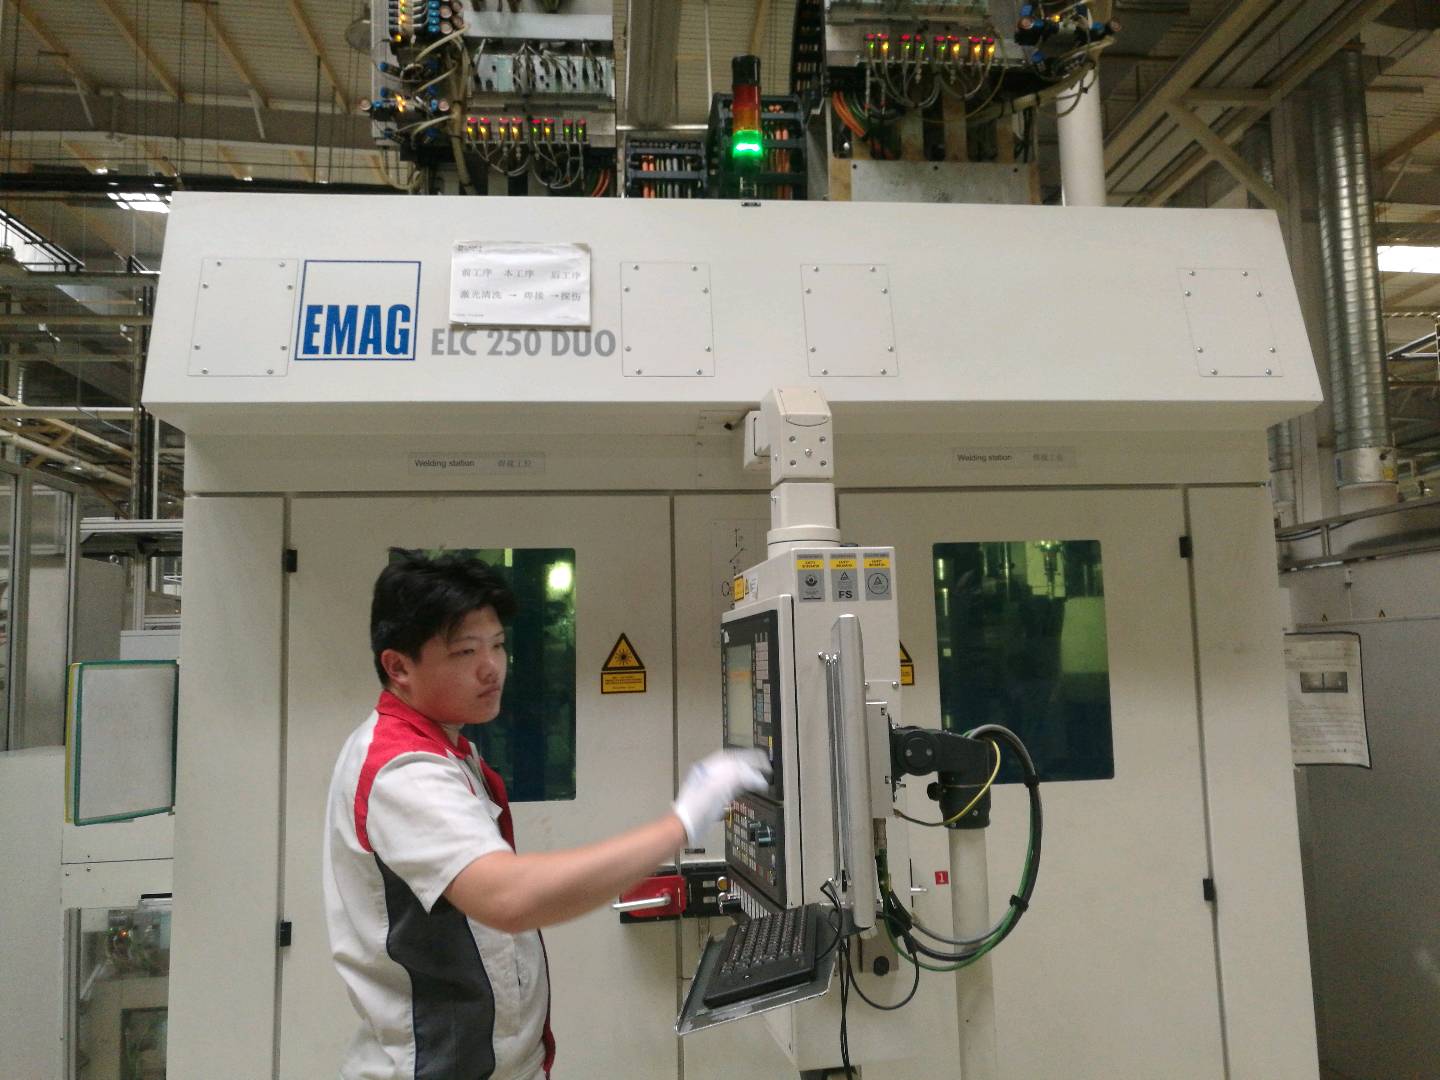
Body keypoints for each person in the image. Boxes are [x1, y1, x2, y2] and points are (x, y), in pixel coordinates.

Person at [323, 549, 769, 1080]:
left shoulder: (445, 748)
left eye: (497, 645)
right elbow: (508, 898)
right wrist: (681, 824)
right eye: (465, 651)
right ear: (398, 667)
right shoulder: (403, 770)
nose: (492, 667)